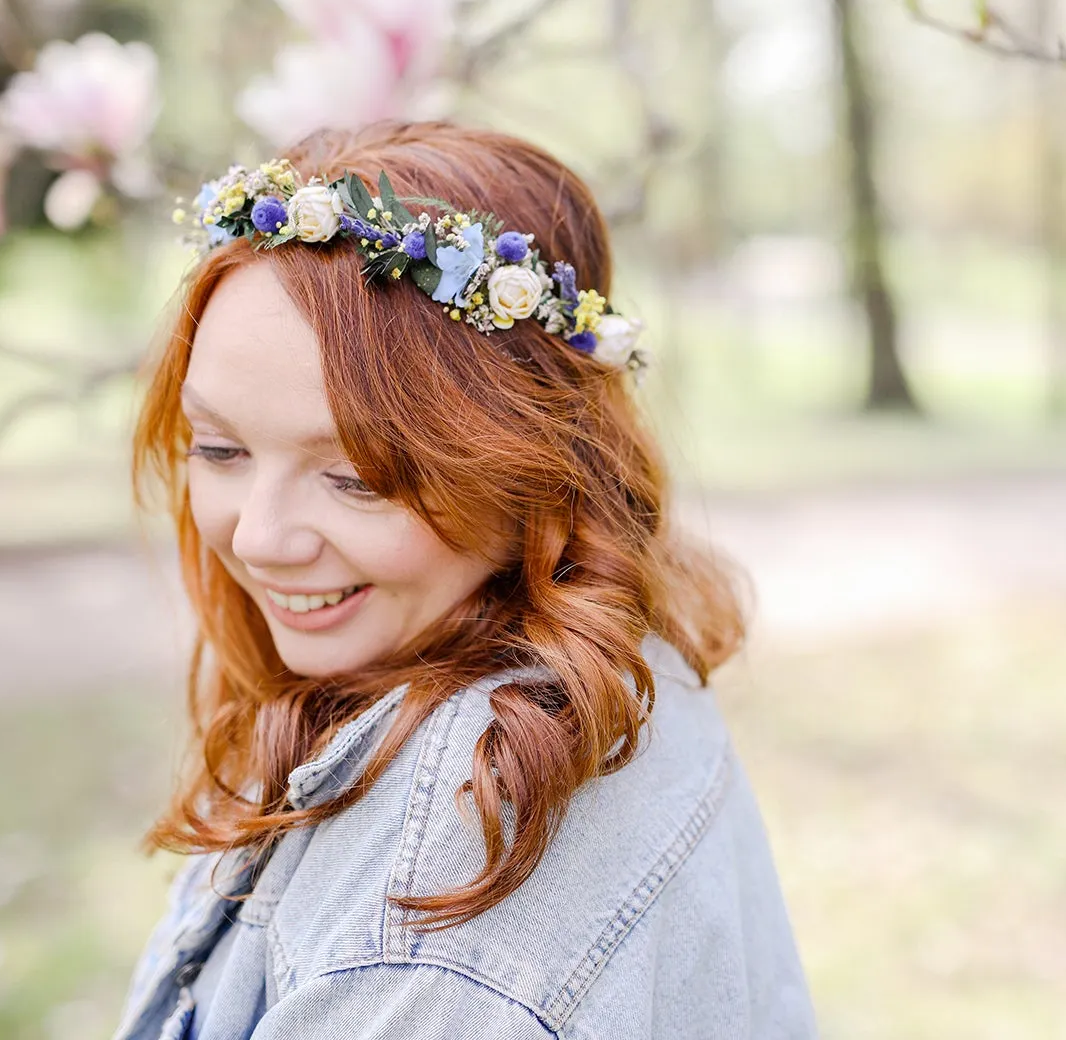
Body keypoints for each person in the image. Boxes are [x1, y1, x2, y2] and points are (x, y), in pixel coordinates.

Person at [111, 120, 818, 1039]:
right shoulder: (619, 661)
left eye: (358, 477)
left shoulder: (434, 929)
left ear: (533, 475)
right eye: (218, 447)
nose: (259, 537)